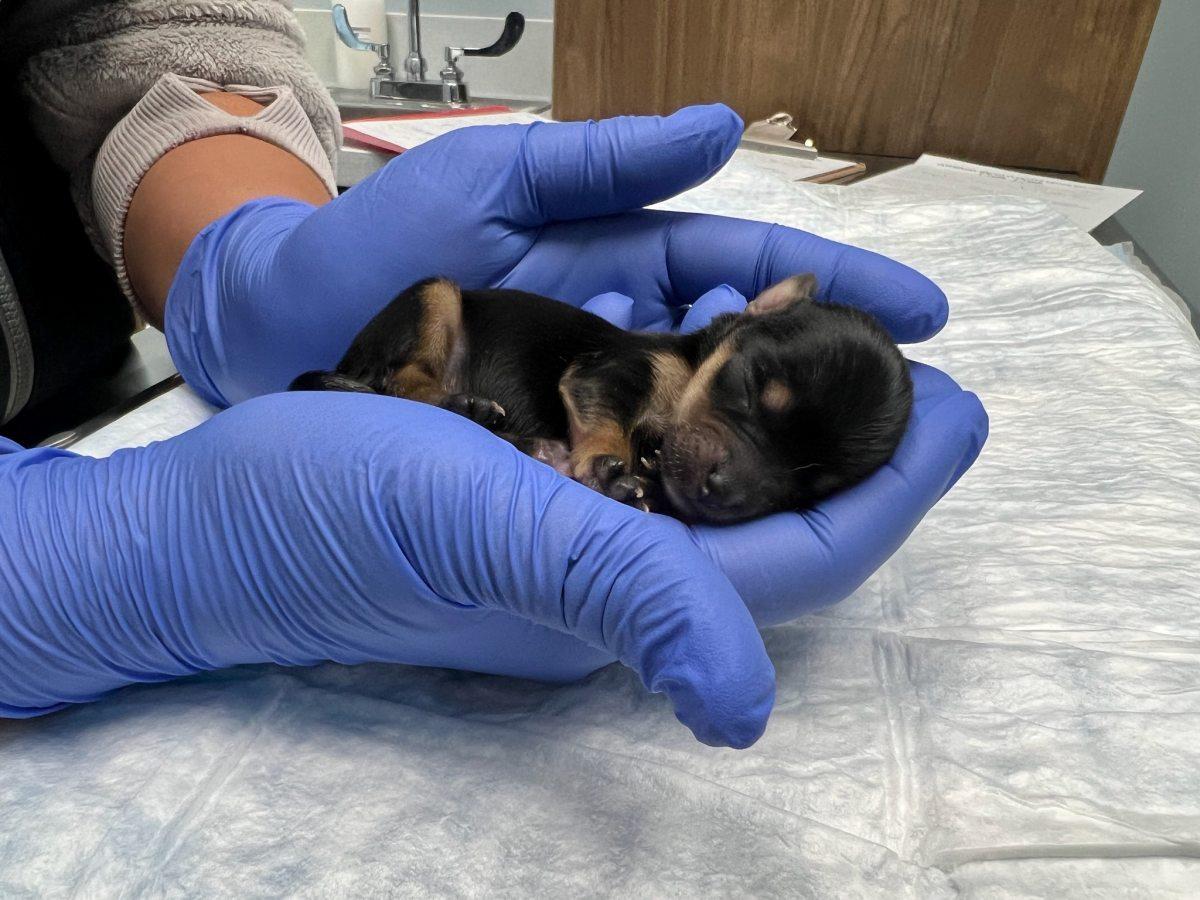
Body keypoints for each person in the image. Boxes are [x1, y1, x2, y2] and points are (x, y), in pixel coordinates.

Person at [0, 1, 987, 748]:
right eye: (740, 405)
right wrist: (125, 554)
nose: (733, 475)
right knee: (436, 296)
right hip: (456, 346)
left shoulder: (703, 402)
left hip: (82, 361)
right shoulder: (651, 366)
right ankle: (413, 387)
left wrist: (231, 253)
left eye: (796, 483)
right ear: (748, 320)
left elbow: (133, 31)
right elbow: (594, 385)